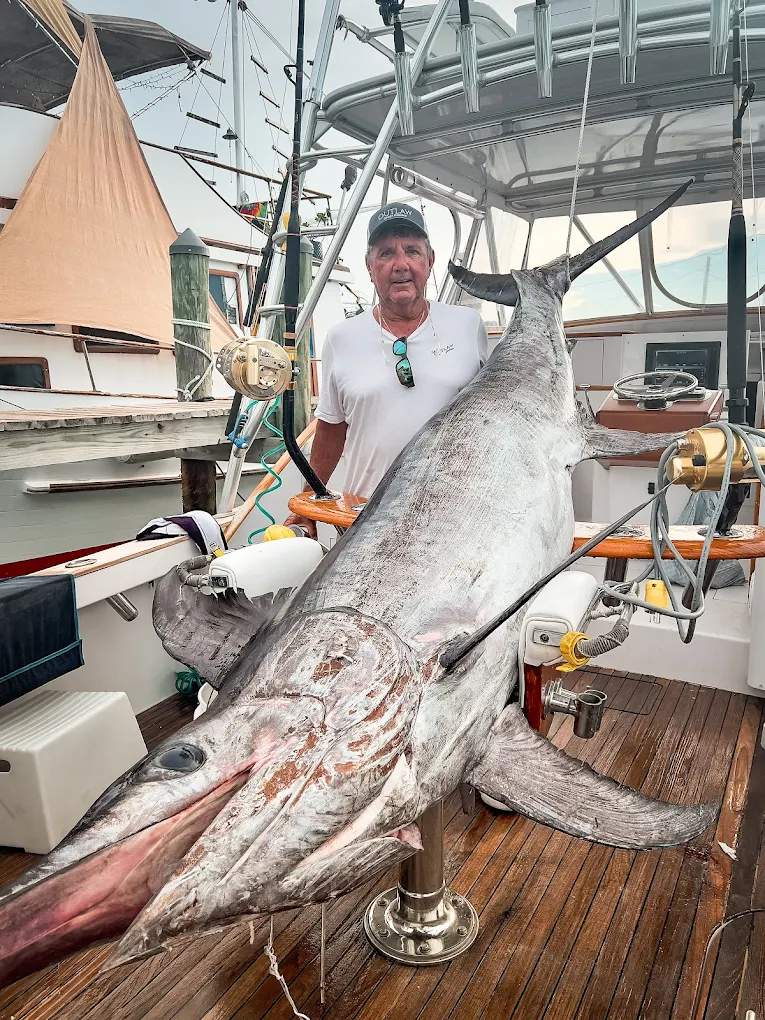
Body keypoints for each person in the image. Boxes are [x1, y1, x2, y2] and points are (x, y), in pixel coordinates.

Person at [285, 202, 489, 538]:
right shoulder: (341, 338)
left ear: (430, 261)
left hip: (453, 518)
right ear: (369, 266)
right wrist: (306, 505)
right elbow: (331, 429)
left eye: (412, 250)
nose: (401, 264)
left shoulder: (468, 325)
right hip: (366, 519)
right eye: (386, 253)